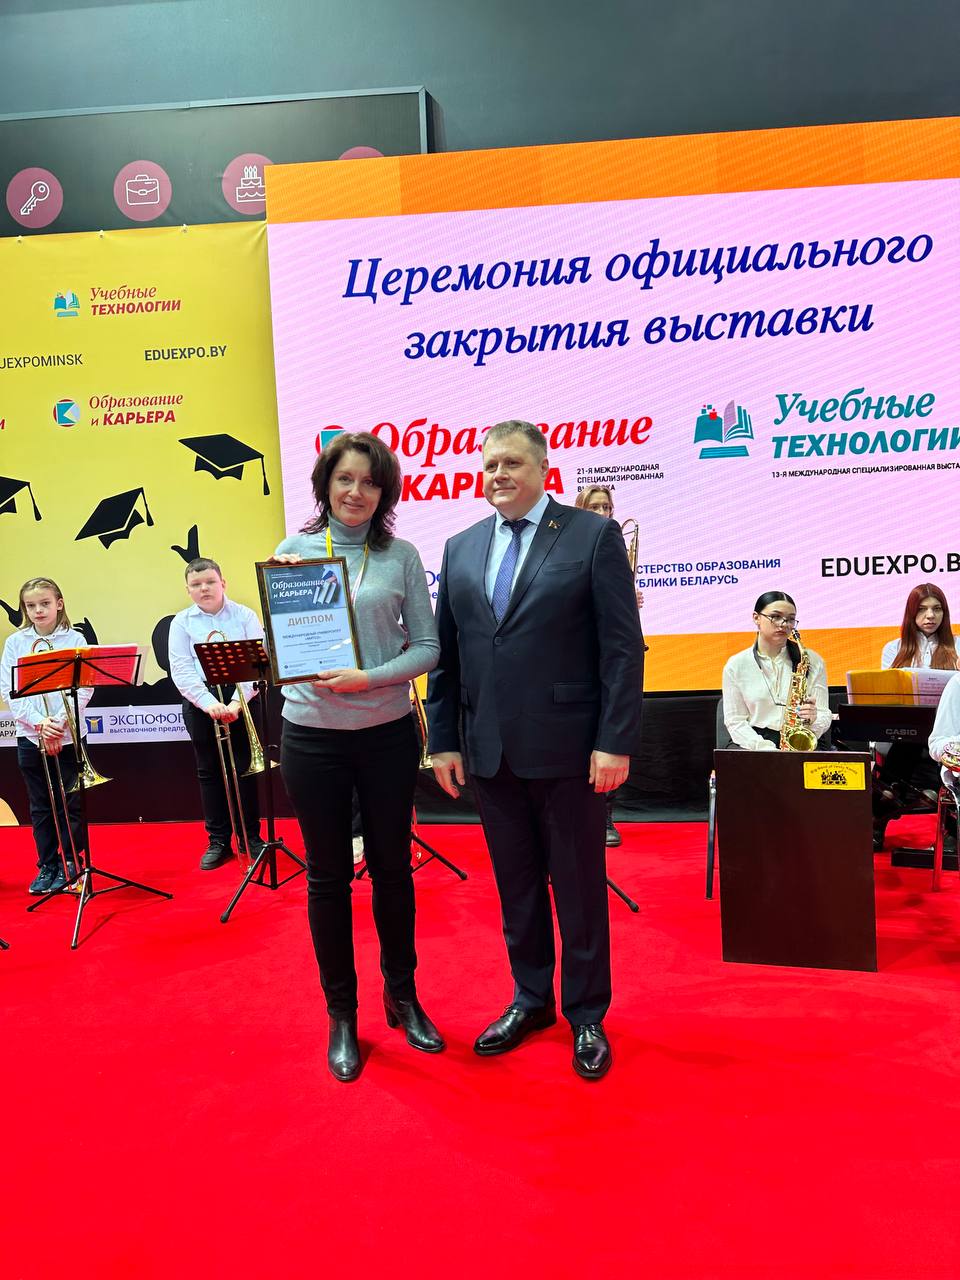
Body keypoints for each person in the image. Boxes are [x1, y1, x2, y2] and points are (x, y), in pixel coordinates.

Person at [427, 420, 644, 1081]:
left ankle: (586, 1012)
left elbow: (621, 648)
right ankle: (530, 999)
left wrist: (613, 741)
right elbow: (449, 656)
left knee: (578, 889)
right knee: (517, 888)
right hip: (489, 753)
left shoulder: (591, 535)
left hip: (572, 752)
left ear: (545, 469)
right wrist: (442, 740)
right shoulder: (461, 546)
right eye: (490, 464)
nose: (498, 474)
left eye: (512, 463)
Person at [273, 431, 442, 1083]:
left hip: (386, 734)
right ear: (326, 483)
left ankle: (403, 995)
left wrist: (368, 678)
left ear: (385, 492)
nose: (356, 492)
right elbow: (282, 654)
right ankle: (341, 1014)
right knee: (326, 878)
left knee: (393, 871)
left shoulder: (400, 556)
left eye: (370, 482)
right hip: (312, 736)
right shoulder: (292, 554)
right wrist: (278, 601)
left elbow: (427, 648)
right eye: (345, 478)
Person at [168, 557, 265, 870]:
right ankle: (218, 840)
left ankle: (250, 837)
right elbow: (181, 669)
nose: (204, 588)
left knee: (245, 769)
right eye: (196, 584)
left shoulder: (245, 616)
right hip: (202, 704)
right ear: (188, 590)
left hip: (240, 700)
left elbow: (257, 665)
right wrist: (208, 703)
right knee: (209, 772)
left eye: (210, 582)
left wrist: (237, 702)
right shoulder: (181, 622)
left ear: (223, 583)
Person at [0, 577, 93, 894]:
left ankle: (73, 862)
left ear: (59, 604)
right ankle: (48, 865)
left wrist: (59, 723)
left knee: (72, 803)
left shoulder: (75, 639)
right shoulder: (16, 643)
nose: (38, 610)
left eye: (44, 603)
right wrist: (40, 724)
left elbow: (85, 688)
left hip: (68, 733)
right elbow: (10, 691)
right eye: (31, 605)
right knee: (41, 805)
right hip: (31, 735)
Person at [575, 484, 644, 847]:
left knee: (613, 734)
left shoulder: (614, 543)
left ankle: (605, 816)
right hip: (580, 658)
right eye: (595, 507)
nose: (603, 513)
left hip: (614, 656)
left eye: (607, 507)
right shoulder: (568, 546)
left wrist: (628, 598)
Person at [874, 584, 959, 849]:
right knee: (905, 744)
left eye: (937, 609)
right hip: (907, 728)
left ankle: (951, 829)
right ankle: (878, 819)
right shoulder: (894, 649)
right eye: (922, 609)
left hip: (949, 727)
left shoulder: (957, 646)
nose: (930, 615)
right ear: (911, 613)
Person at [721, 590, 831, 751]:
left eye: (790, 619)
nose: (784, 624)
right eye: (775, 616)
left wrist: (813, 720)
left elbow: (824, 713)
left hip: (802, 739)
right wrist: (767, 750)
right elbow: (735, 721)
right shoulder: (736, 665)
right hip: (755, 744)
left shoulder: (812, 660)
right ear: (756, 618)